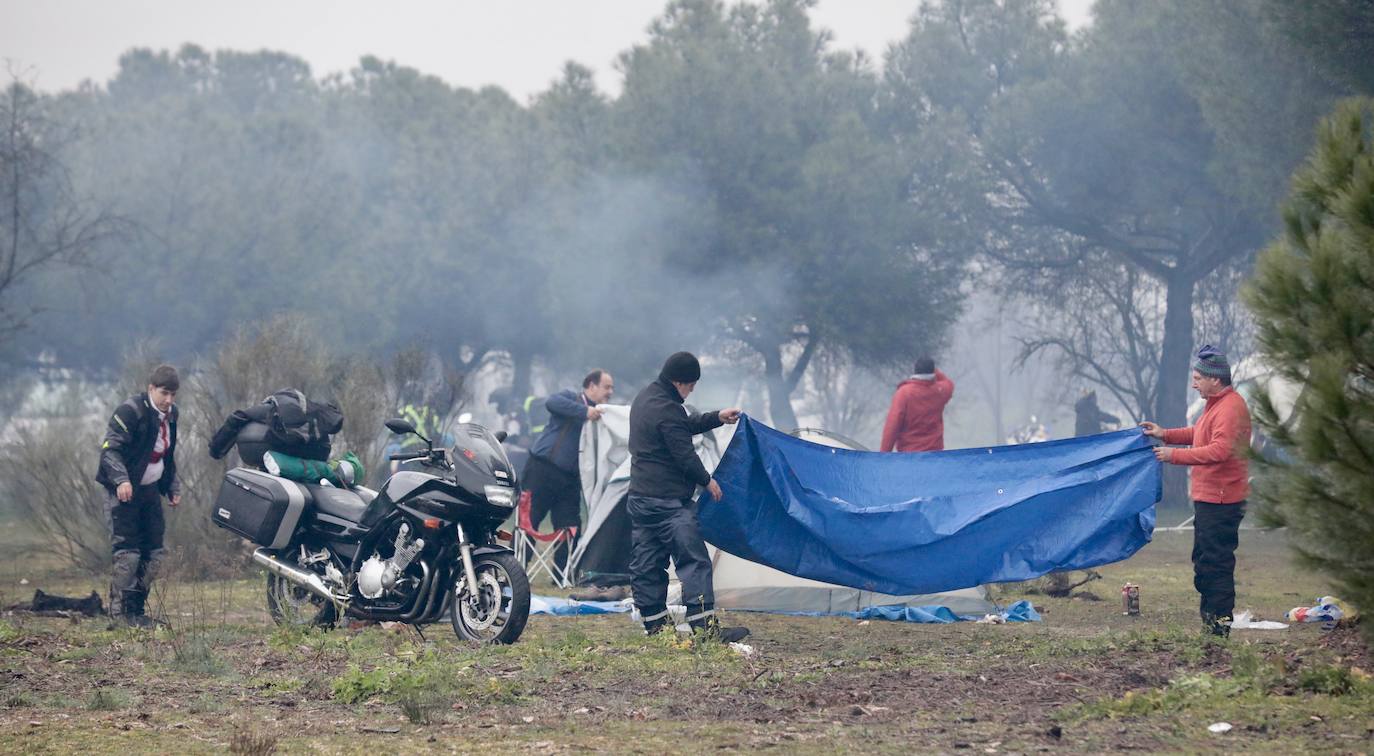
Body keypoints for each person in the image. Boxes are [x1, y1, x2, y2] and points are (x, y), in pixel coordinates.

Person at [627, 351, 747, 642]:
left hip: (642, 500)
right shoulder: (667, 409)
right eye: (692, 383)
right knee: (694, 561)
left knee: (647, 562)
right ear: (680, 381)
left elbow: (681, 427)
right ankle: (706, 629)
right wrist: (708, 482)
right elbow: (684, 453)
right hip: (669, 503)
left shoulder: (647, 398)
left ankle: (656, 627)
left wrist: (717, 418)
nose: (693, 388)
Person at [1140, 345, 1251, 637]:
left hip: (1222, 501)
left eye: (1198, 378)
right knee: (1204, 563)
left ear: (1215, 379)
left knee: (1215, 566)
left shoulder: (1230, 408)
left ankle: (1218, 631)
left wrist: (1172, 456)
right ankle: (1211, 626)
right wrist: (1165, 434)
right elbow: (1198, 434)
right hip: (1208, 499)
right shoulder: (1215, 406)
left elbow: (1219, 450)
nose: (1194, 383)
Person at [95, 364, 182, 628]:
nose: (168, 400)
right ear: (151, 389)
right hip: (123, 493)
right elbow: (110, 451)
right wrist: (121, 479)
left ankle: (136, 611)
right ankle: (119, 615)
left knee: (154, 556)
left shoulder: (172, 415)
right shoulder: (130, 411)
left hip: (150, 492)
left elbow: (166, 455)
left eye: (173, 395)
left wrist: (172, 486)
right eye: (164, 393)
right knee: (128, 555)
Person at [522, 369, 615, 575]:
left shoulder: (604, 415)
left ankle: (563, 574)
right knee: (529, 520)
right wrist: (584, 412)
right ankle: (514, 570)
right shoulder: (569, 398)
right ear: (591, 386)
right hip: (542, 470)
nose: (610, 392)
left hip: (571, 479)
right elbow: (552, 403)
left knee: (571, 526)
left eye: (612, 388)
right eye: (606, 387)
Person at [880, 355, 955, 452]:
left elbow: (892, 426)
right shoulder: (940, 391)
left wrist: (884, 455)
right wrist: (934, 370)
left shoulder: (904, 393)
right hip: (935, 455)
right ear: (932, 372)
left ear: (915, 370)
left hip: (909, 455)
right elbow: (948, 382)